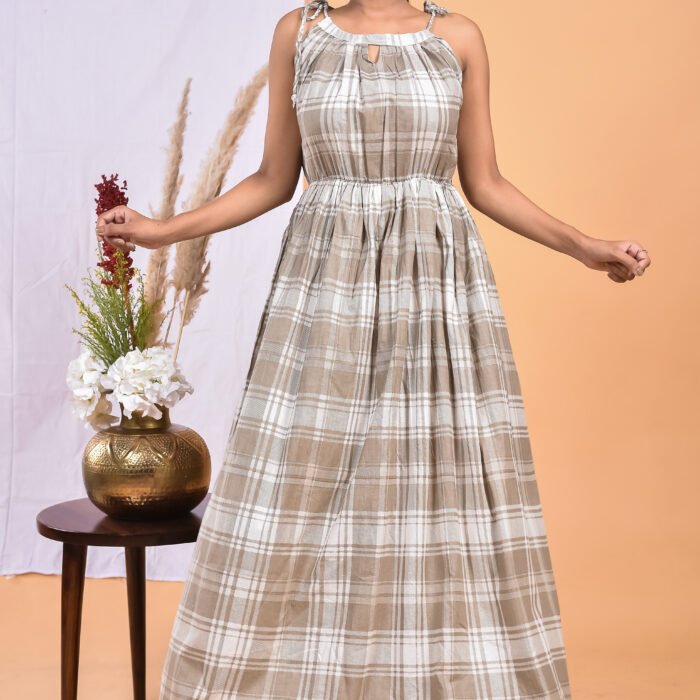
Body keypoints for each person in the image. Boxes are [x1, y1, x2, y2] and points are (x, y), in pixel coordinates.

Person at [96, 1, 651, 697]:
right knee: (302, 478)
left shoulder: (458, 38)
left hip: (435, 289)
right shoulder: (298, 33)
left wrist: (586, 247)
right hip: (325, 287)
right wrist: (164, 231)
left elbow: (485, 183)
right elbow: (274, 178)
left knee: (434, 479)